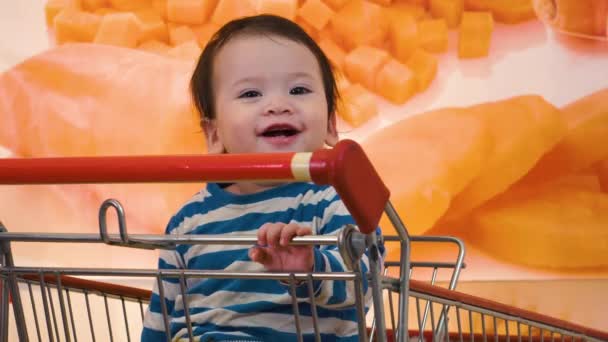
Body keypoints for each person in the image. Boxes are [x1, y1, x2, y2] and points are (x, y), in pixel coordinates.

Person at [141, 14, 384, 342]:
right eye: (251, 94)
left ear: (330, 124)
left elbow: (366, 282)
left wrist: (311, 267)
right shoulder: (189, 221)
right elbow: (161, 321)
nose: (278, 105)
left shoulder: (335, 201)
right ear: (214, 135)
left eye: (298, 89)